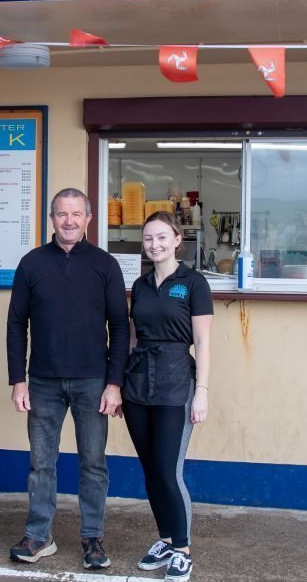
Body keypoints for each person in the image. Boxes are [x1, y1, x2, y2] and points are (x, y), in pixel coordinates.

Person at [6, 187, 130, 570]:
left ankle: (92, 538)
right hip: (42, 381)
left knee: (93, 463)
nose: (69, 221)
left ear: (88, 218)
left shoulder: (105, 265)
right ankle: (39, 536)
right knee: (41, 463)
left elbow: (121, 327)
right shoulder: (31, 264)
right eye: (62, 214)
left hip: (93, 382)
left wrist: (115, 383)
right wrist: (18, 379)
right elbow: (15, 324)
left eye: (77, 214)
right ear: (52, 218)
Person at [123, 211, 213, 582]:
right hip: (139, 381)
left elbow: (204, 342)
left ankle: (183, 549)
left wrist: (202, 392)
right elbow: (131, 337)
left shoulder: (193, 283)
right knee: (150, 470)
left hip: (177, 381)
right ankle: (165, 538)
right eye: (148, 239)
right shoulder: (141, 285)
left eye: (162, 237)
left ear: (178, 239)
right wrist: (120, 380)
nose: (154, 245)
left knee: (168, 470)